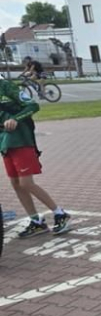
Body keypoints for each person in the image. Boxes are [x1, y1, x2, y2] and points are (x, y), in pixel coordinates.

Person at [0, 77, 71, 238]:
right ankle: (36, 221)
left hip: (21, 140)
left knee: (26, 183)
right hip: (5, 143)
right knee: (16, 184)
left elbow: (33, 105)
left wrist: (15, 119)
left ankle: (60, 214)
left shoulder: (6, 87)